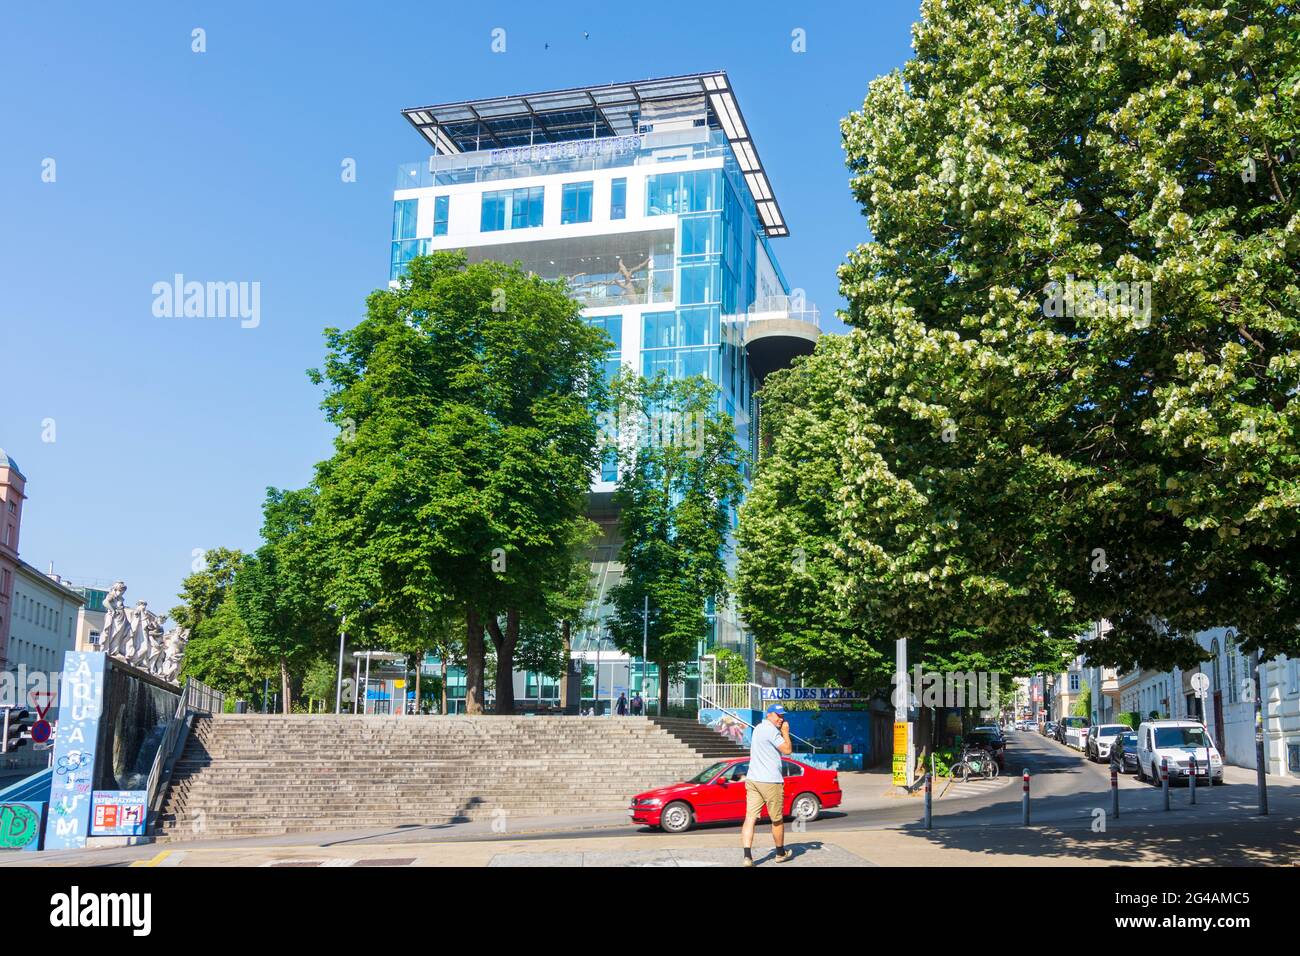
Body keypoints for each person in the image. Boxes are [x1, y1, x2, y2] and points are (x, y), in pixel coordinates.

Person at [741, 703, 794, 866]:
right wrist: (785, 732)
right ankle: (779, 853)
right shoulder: (772, 731)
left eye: (783, 715)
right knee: (777, 819)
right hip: (770, 781)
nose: (781, 718)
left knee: (750, 818)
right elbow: (787, 750)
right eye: (778, 715)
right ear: (769, 715)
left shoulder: (758, 728)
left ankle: (747, 857)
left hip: (753, 779)